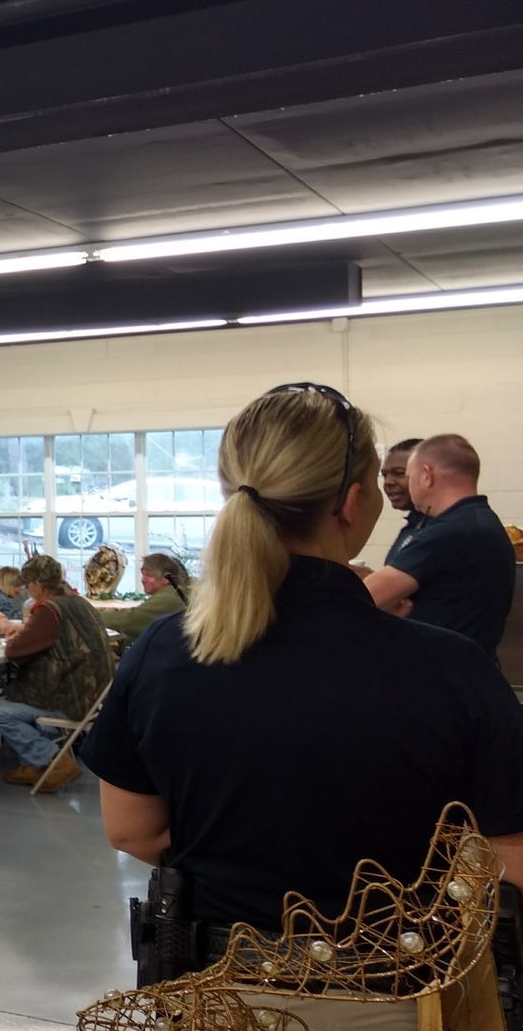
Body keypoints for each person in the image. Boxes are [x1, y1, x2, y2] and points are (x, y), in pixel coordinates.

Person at [81, 384, 523, 984]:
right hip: (396, 992)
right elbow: (509, 859)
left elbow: (131, 829)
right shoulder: (453, 669)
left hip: (216, 994)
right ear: (352, 502)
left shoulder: (164, 650)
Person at [365, 434, 516, 659]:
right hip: (466, 668)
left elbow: (364, 597)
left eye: (408, 475)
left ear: (426, 475)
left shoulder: (449, 532)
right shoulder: (480, 522)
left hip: (441, 675)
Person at [0, 555, 113, 794]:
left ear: (39, 586)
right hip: (94, 695)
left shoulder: (49, 610)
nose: (25, 588)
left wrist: (21, 633)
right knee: (17, 697)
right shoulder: (77, 602)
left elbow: (14, 651)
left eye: (28, 584)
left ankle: (52, 759)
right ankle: (33, 766)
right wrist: (26, 629)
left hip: (69, 699)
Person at [99, 554, 188, 650]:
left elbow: (130, 620)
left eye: (149, 575)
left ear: (166, 578)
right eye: (143, 574)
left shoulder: (169, 596)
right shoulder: (180, 591)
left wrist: (93, 616)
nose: (143, 580)